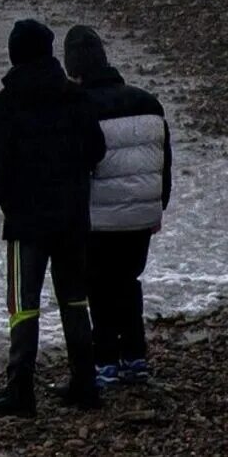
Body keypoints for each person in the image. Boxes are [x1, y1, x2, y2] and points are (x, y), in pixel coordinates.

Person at [0, 17, 106, 417]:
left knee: (23, 305)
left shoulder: (5, 104)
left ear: (15, 56)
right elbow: (96, 151)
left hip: (27, 223)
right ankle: (85, 384)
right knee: (75, 299)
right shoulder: (76, 98)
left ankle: (20, 391)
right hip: (71, 220)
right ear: (48, 53)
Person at [63, 23, 173, 389]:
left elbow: (79, 167)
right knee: (128, 282)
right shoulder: (148, 101)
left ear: (74, 70)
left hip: (100, 217)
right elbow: (163, 162)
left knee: (99, 286)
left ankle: (107, 361)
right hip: (144, 212)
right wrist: (159, 208)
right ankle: (136, 358)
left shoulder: (80, 107)